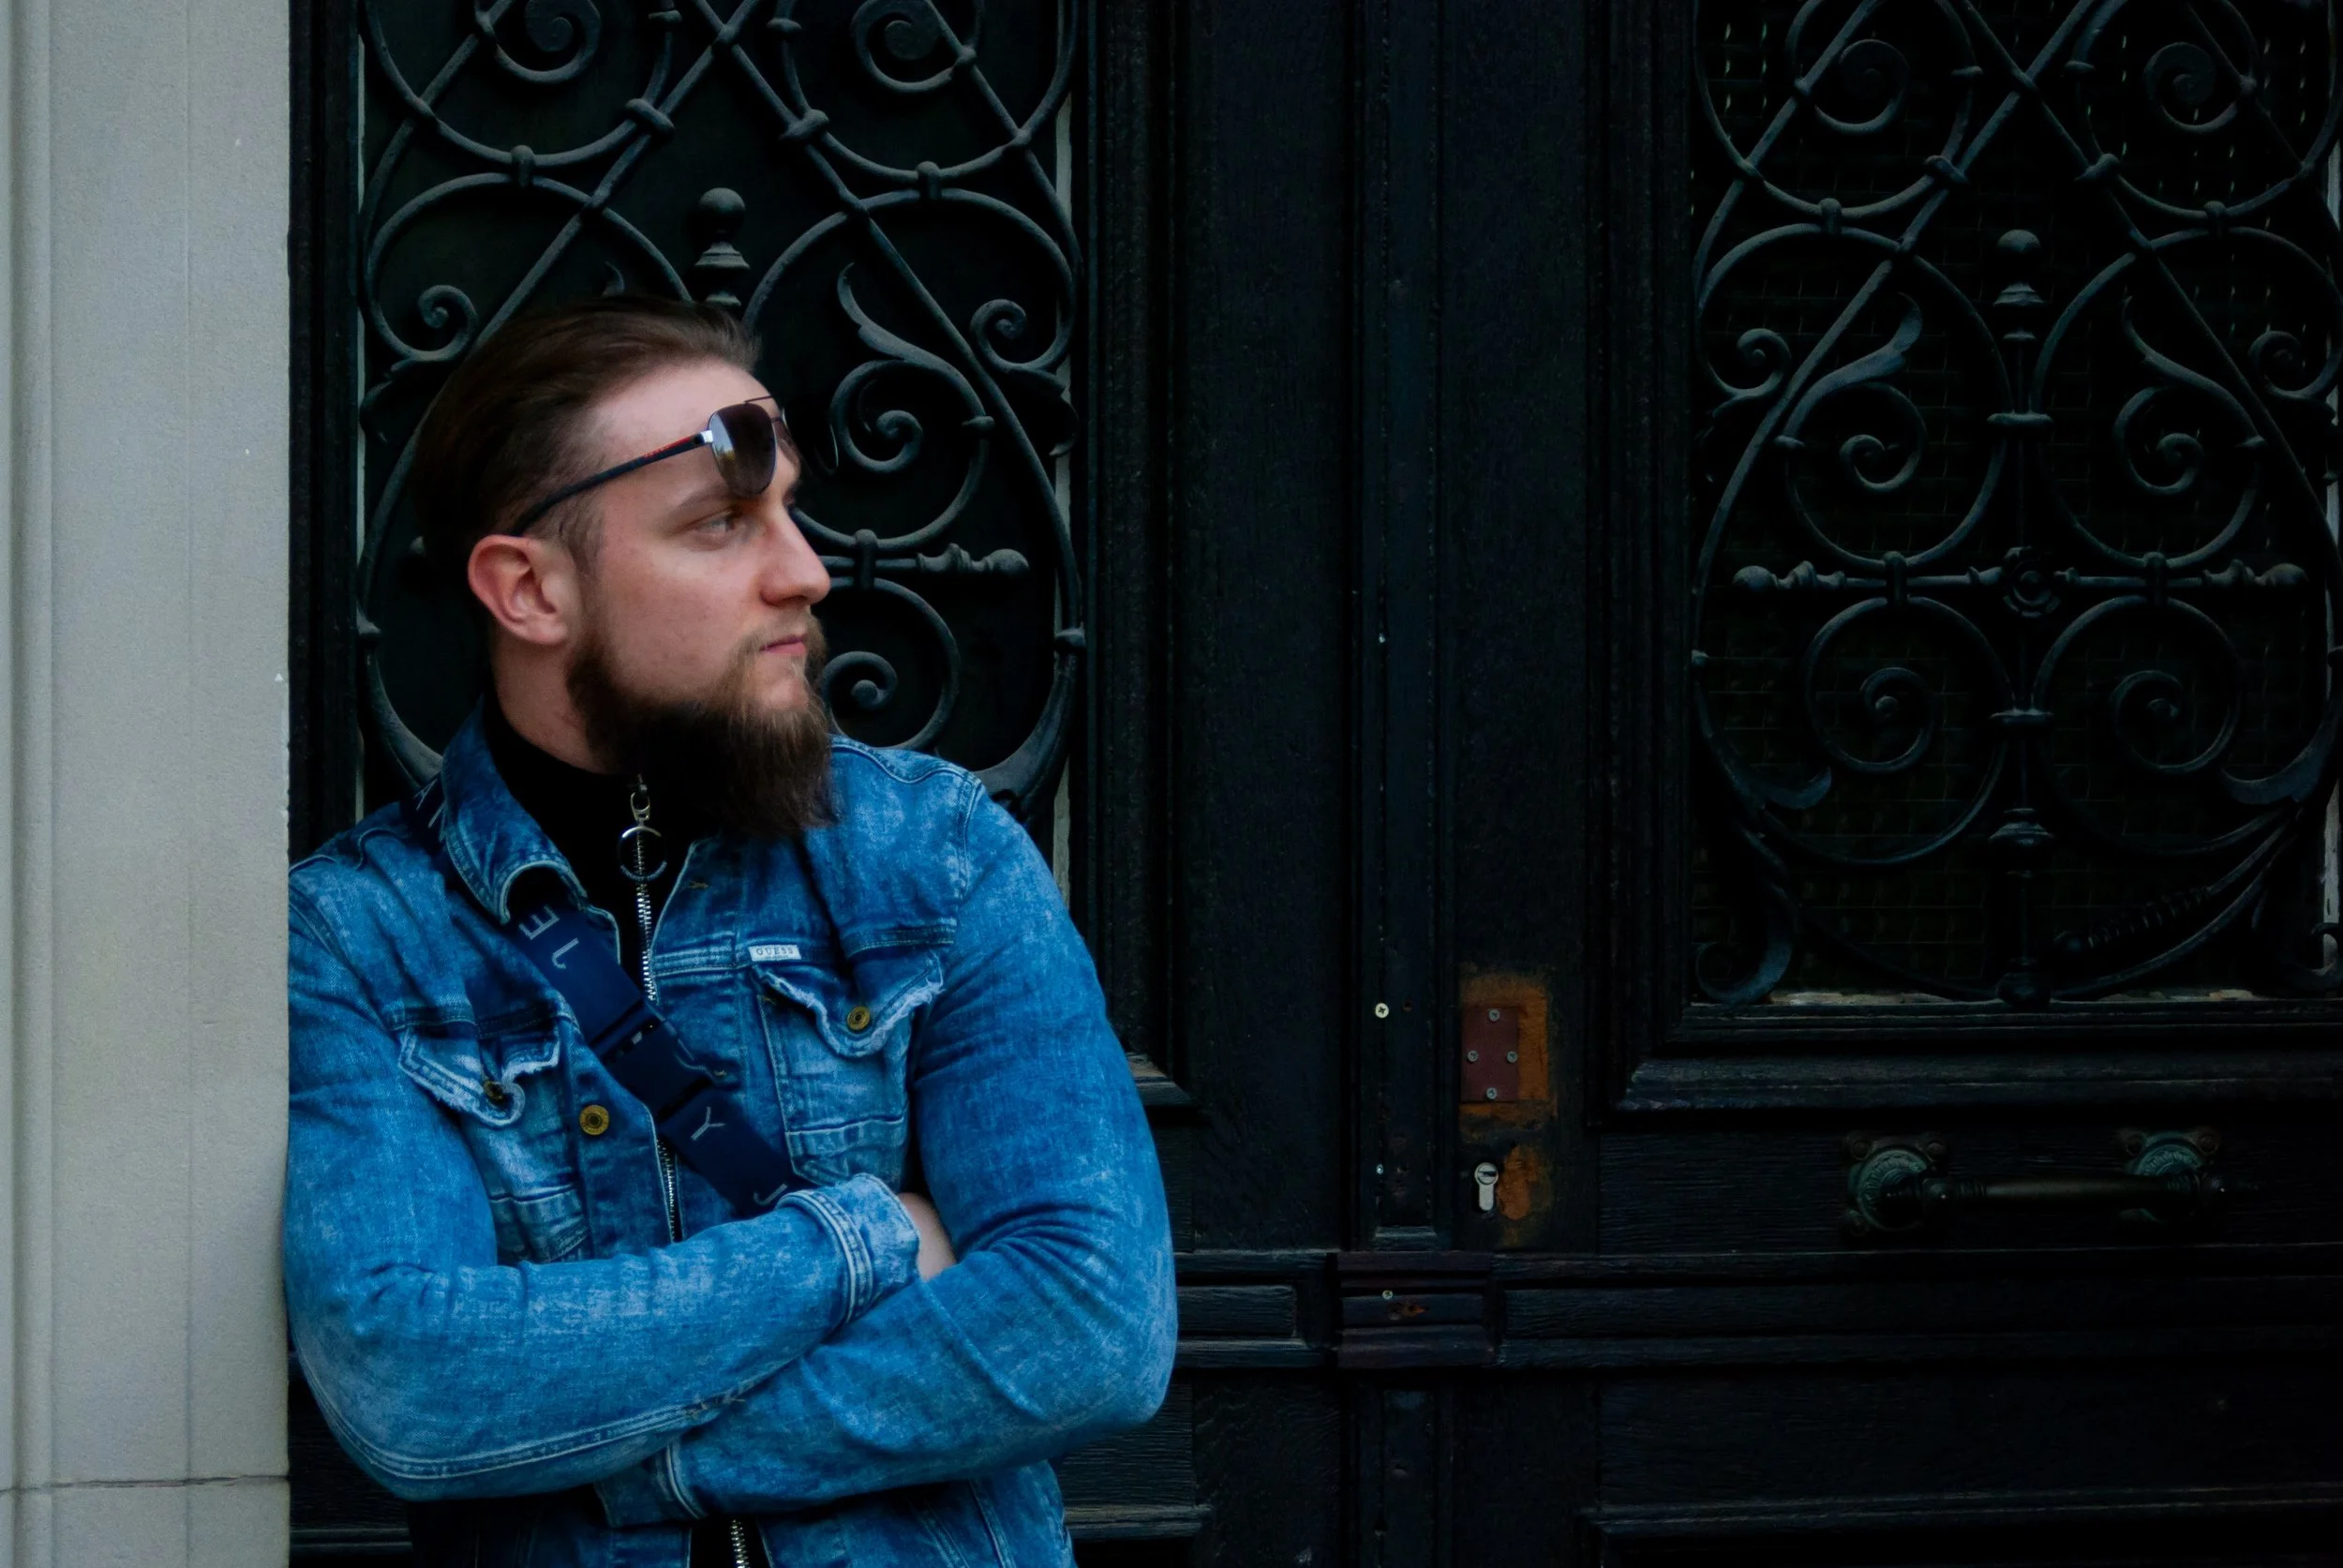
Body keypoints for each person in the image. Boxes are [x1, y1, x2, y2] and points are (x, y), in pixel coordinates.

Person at [284, 296, 1175, 1566]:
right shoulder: (363, 941)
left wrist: (637, 1468)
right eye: (720, 522)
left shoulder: (936, 860)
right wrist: (863, 1239)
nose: (805, 570)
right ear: (529, 588)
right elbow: (415, 1389)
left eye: (788, 511)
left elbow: (1095, 1326)